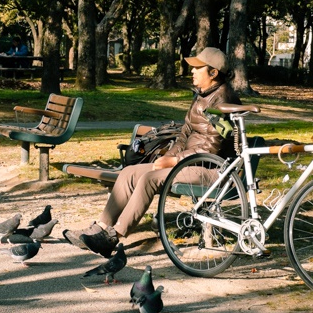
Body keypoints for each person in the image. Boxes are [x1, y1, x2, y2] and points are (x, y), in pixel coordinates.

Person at [64, 46, 240, 250]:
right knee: (130, 173)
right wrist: (168, 157)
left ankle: (113, 237)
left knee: (150, 179)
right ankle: (101, 228)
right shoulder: (202, 95)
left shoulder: (224, 100)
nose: (191, 71)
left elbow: (210, 150)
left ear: (213, 72)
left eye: (197, 68)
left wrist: (174, 161)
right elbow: (184, 135)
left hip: (214, 171)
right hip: (189, 163)